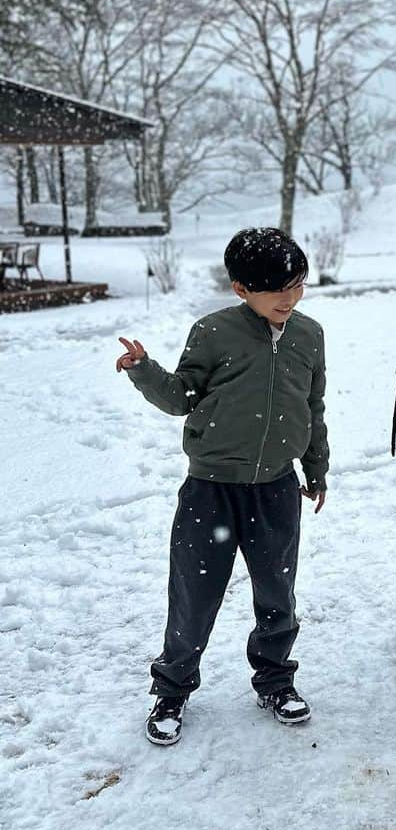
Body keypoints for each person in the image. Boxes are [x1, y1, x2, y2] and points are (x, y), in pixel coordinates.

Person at [116, 227, 328, 746]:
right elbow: (181, 396)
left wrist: (316, 466)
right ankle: (172, 690)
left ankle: (276, 681)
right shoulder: (213, 333)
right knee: (195, 593)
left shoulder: (309, 335)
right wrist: (144, 371)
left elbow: (312, 407)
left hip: (276, 488)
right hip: (211, 490)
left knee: (277, 592)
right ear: (240, 288)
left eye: (298, 285)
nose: (289, 297)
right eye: (277, 288)